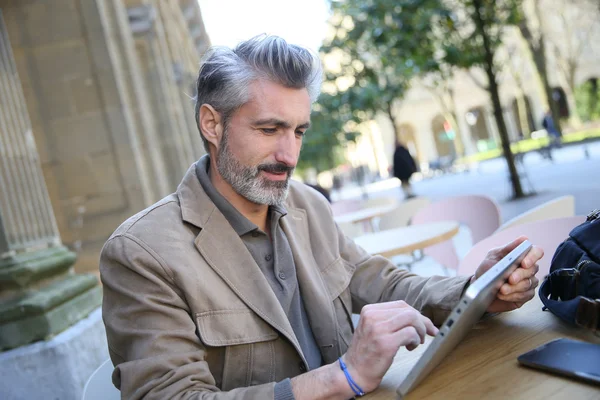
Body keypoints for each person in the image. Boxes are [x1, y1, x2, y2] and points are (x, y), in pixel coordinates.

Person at [100, 35, 543, 400]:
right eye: (269, 129)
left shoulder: (306, 204)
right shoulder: (142, 254)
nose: (288, 155)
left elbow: (382, 283)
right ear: (211, 125)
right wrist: (342, 377)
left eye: (299, 131)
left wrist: (478, 291)